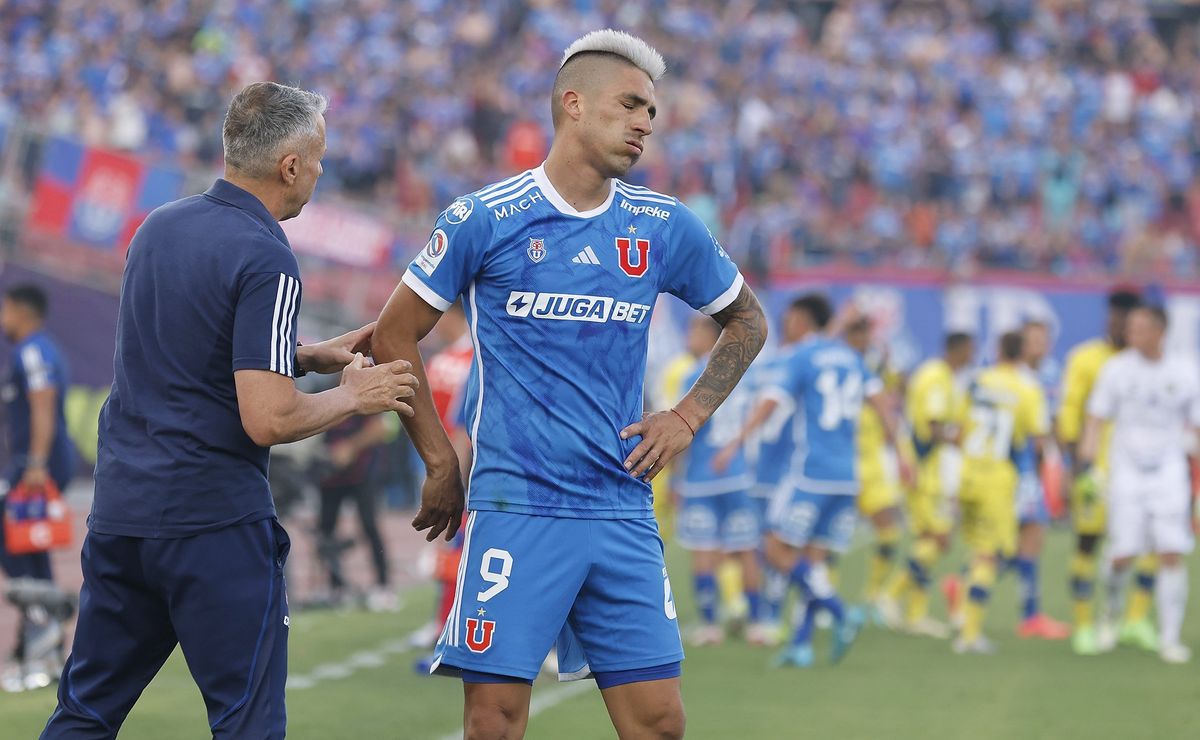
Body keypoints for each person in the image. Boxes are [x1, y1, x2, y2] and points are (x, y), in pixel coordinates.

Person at [373, 29, 766, 740]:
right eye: (632, 104)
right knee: (493, 723)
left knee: (660, 723)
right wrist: (439, 461)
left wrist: (687, 415)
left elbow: (746, 320)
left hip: (620, 509)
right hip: (515, 506)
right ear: (574, 105)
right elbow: (393, 334)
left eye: (652, 110)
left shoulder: (662, 225)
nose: (647, 121)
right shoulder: (482, 219)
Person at [41, 82, 419, 738]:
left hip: (123, 517)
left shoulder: (158, 227)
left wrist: (302, 356)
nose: (323, 172)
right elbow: (267, 419)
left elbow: (188, 349)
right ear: (290, 165)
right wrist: (353, 395)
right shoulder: (268, 254)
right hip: (211, 525)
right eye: (320, 158)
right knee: (247, 725)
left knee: (84, 717)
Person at [758, 294, 904, 668]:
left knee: (774, 548)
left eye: (791, 319)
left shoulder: (803, 355)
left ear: (805, 321)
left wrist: (737, 440)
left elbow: (771, 402)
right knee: (815, 560)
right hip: (848, 476)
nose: (786, 325)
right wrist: (902, 454)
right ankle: (802, 644)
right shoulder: (855, 361)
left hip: (811, 471)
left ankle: (840, 612)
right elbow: (884, 406)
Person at [1080, 305, 1199, 664]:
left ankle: (1169, 637)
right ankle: (1110, 617)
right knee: (1122, 555)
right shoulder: (1116, 369)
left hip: (1168, 472)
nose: (1132, 333)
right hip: (1126, 471)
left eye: (1140, 327)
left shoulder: (1185, 371)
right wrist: (1088, 467)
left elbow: (1195, 427)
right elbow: (1096, 418)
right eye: (1131, 327)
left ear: (1160, 332)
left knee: (1170, 552)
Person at [1058, 289, 1159, 656]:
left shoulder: (1150, 364)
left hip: (1142, 471)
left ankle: (1135, 618)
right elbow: (1071, 417)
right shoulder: (1085, 359)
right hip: (1097, 472)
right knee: (1088, 543)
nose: (1118, 325)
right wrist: (1075, 468)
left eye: (1128, 321)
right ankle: (1084, 624)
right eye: (1115, 318)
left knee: (1149, 544)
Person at [0, 284, 77, 692]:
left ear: (18, 309)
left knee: (14, 544)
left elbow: (43, 402)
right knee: (28, 547)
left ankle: (44, 623)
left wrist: (34, 463)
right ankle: (44, 633)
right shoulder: (36, 350)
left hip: (36, 466)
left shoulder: (32, 351)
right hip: (35, 463)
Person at [954, 332, 1049, 654]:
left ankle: (962, 607)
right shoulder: (1027, 387)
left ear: (997, 349)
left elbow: (960, 427)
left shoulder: (978, 380)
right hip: (998, 477)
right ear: (1023, 352)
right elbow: (1037, 439)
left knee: (979, 549)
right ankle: (969, 634)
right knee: (991, 555)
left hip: (967, 472)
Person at [880, 332, 974, 638]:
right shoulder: (937, 377)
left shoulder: (940, 376)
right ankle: (891, 595)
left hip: (926, 469)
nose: (972, 355)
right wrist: (959, 440)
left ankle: (916, 613)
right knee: (939, 538)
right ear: (958, 349)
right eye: (970, 350)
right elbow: (933, 428)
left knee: (927, 540)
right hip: (923, 471)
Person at [673, 317, 760, 646]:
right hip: (737, 475)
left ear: (711, 335)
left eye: (695, 329)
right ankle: (757, 623)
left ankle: (710, 625)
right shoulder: (740, 375)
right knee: (746, 548)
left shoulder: (692, 374)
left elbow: (683, 430)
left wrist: (676, 479)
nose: (690, 336)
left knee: (704, 550)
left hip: (701, 478)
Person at [842, 315, 909, 616]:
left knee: (889, 531)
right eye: (858, 332)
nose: (863, 338)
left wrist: (900, 455)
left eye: (866, 333)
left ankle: (872, 597)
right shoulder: (838, 363)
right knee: (826, 537)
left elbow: (894, 398)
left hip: (869, 462)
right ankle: (821, 603)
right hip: (839, 462)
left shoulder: (874, 368)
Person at [1010, 319, 1071, 639]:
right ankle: (1030, 615)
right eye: (1034, 339)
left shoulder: (1050, 374)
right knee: (1029, 535)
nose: (1041, 345)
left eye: (1044, 339)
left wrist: (1063, 465)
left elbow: (1056, 423)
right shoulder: (1011, 376)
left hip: (1034, 468)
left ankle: (964, 585)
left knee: (1025, 537)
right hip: (1014, 468)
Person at [317, 412, 394, 610]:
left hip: (362, 472)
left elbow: (380, 428)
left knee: (369, 526)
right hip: (331, 474)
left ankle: (383, 585)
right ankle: (336, 587)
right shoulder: (321, 390)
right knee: (326, 529)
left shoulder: (365, 385)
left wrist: (350, 446)